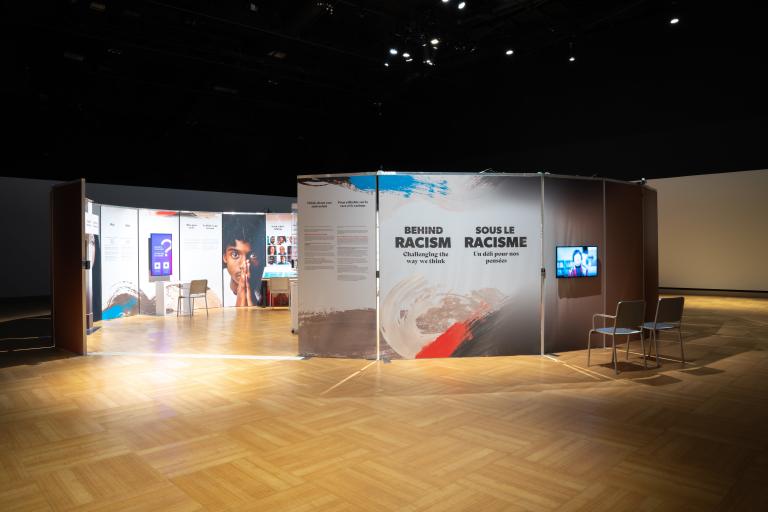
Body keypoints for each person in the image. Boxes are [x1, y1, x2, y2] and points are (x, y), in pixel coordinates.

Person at [222, 216, 265, 307]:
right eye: (235, 255)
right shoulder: (215, 293)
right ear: (225, 257)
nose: (243, 265)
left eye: (253, 256)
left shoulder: (263, 286)